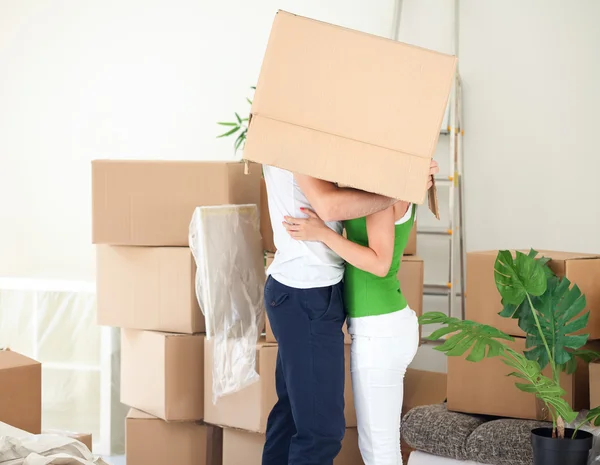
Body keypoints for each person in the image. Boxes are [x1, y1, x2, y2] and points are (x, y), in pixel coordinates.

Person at [261, 162, 438, 465]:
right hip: (350, 312)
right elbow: (331, 206)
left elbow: (379, 263)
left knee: (372, 449)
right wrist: (406, 182)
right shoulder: (375, 185)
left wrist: (405, 182)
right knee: (305, 422)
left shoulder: (380, 188)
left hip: (377, 328)